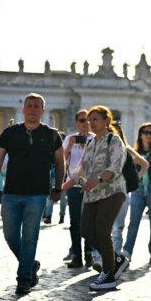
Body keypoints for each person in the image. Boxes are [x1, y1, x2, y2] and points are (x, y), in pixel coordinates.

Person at [0, 93, 65, 296]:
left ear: (43, 110)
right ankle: (30, 264)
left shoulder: (52, 134)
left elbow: (61, 163)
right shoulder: (10, 133)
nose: (33, 109)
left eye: (37, 106)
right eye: (30, 105)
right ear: (23, 109)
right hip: (10, 192)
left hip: (37, 193)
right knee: (10, 235)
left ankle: (24, 278)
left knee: (30, 237)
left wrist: (58, 187)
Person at [63, 106, 133, 291]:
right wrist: (66, 184)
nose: (90, 123)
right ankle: (116, 259)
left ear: (106, 121)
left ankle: (109, 274)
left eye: (95, 119)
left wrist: (99, 178)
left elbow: (117, 165)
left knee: (102, 229)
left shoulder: (114, 139)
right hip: (92, 194)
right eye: (88, 120)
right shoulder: (91, 143)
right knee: (86, 230)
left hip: (112, 191)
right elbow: (81, 168)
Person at [122, 122, 151, 265]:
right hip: (138, 189)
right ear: (140, 134)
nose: (148, 135)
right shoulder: (135, 152)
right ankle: (127, 251)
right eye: (145, 132)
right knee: (133, 221)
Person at [61, 110, 93, 269]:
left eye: (88, 120)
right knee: (75, 222)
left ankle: (89, 252)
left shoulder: (95, 139)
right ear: (76, 123)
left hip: (91, 185)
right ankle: (76, 255)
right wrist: (71, 146)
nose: (85, 123)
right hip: (73, 185)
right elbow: (62, 160)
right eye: (82, 120)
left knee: (88, 221)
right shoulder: (69, 138)